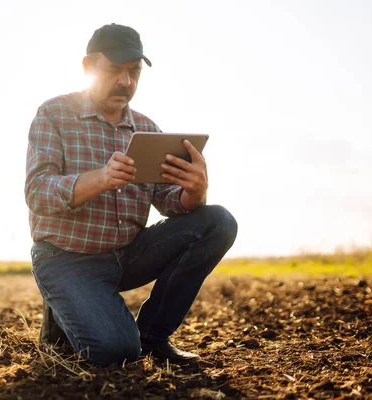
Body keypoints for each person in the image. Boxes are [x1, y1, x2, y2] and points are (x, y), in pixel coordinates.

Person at [24, 23, 238, 366]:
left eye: (133, 72)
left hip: (128, 254)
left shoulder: (147, 128)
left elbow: (169, 201)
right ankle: (62, 312)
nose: (126, 81)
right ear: (88, 67)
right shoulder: (53, 115)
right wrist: (101, 178)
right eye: (114, 70)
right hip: (67, 257)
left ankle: (153, 335)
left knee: (219, 221)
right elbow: (37, 193)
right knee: (119, 352)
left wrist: (194, 192)